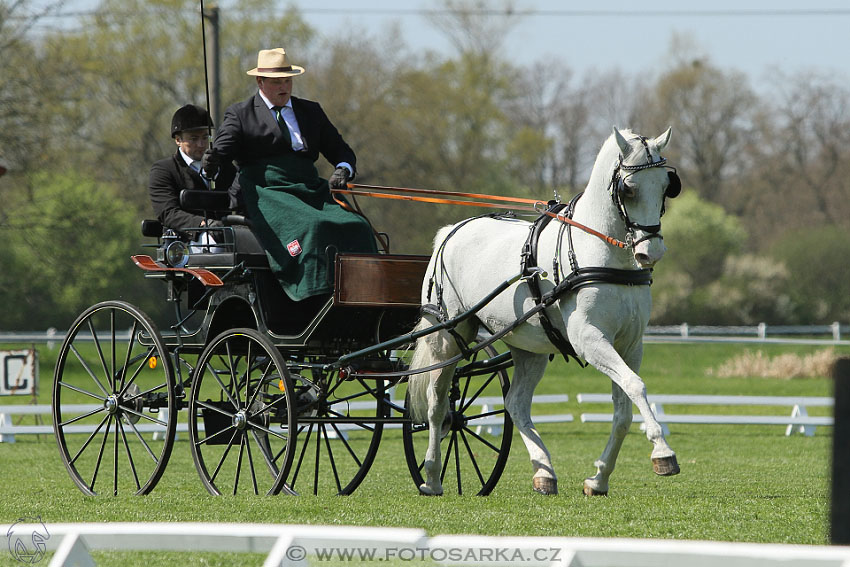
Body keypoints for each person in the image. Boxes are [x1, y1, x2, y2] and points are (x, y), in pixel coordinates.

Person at [202, 47, 377, 301]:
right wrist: (213, 160)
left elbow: (341, 151)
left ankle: (366, 293)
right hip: (267, 191)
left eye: (287, 80)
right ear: (260, 81)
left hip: (309, 188)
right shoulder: (241, 114)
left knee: (358, 225)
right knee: (313, 227)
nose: (284, 87)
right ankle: (315, 294)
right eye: (276, 82)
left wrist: (342, 169)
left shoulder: (311, 111)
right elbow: (223, 151)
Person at [148, 104, 237, 235]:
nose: (201, 144)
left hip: (229, 237)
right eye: (194, 139)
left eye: (205, 137)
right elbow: (168, 212)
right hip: (188, 241)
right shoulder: (164, 170)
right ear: (178, 140)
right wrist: (203, 225)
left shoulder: (225, 168)